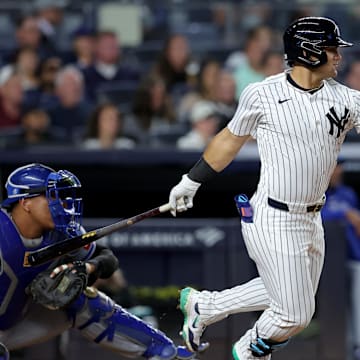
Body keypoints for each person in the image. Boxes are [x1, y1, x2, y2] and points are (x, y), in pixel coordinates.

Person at [167, 16, 358, 360]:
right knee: (294, 314)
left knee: (288, 295)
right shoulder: (262, 93)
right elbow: (228, 141)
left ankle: (204, 306)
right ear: (310, 52)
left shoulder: (345, 99)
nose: (338, 56)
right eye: (331, 49)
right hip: (272, 214)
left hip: (312, 218)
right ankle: (250, 348)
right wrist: (191, 180)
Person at [0, 163, 207, 360]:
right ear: (24, 202)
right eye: (51, 197)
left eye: (62, 197)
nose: (61, 204)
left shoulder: (61, 233)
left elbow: (107, 259)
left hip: (19, 322)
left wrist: (88, 268)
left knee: (83, 298)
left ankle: (165, 352)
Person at [321, 161, 360, 359]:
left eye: (340, 166)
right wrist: (343, 213)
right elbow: (315, 215)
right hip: (325, 262)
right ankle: (340, 349)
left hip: (353, 256)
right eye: (335, 166)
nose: (338, 170)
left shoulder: (347, 193)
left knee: (357, 304)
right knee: (334, 307)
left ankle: (357, 347)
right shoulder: (314, 192)